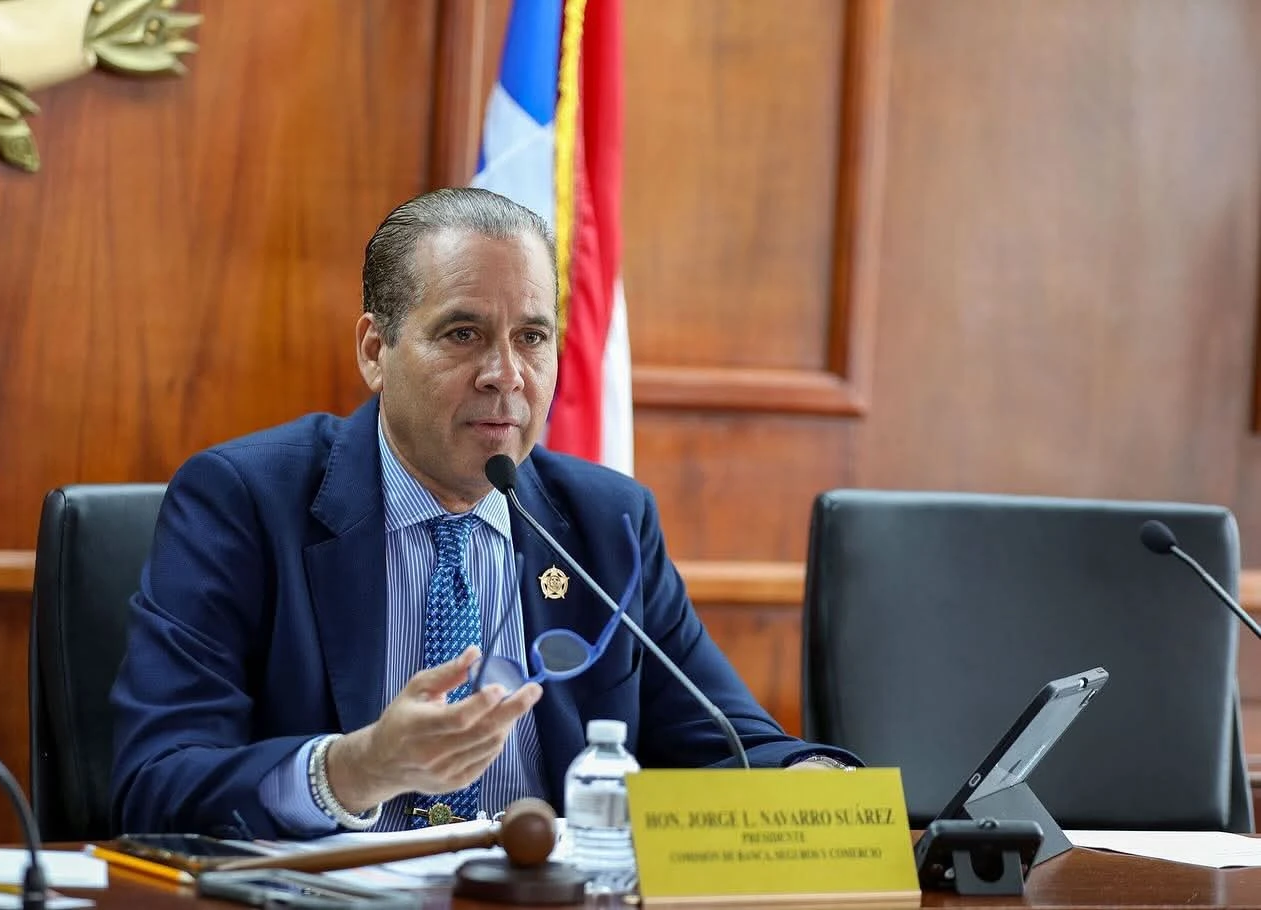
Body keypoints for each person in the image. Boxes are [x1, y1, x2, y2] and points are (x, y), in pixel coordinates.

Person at [110, 187, 860, 839]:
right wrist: (353, 770)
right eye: (462, 333)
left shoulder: (606, 522)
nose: (506, 375)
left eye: (531, 338)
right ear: (376, 350)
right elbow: (156, 782)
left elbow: (724, 741)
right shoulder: (243, 500)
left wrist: (808, 774)